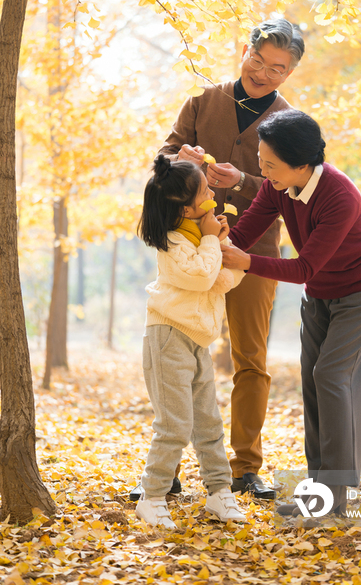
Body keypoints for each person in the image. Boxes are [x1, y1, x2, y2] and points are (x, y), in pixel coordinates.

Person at [155, 19, 305, 499]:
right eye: (258, 60)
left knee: (250, 360)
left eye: (277, 69)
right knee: (174, 357)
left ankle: (245, 468)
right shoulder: (202, 100)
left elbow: (297, 187)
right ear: (244, 51)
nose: (263, 73)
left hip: (253, 251)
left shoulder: (291, 124)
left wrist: (240, 181)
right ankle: (167, 468)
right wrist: (185, 162)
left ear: (290, 73)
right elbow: (162, 160)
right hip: (186, 242)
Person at [221, 109, 361, 516]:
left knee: (331, 376)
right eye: (260, 161)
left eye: (269, 165)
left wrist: (244, 263)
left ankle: (334, 497)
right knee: (313, 381)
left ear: (302, 164)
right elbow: (245, 232)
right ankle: (318, 493)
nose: (262, 171)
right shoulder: (278, 186)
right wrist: (215, 242)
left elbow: (302, 267)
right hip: (320, 294)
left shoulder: (339, 195)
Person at [135, 155, 246, 528]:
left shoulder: (202, 239)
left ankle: (219, 492)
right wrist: (213, 242)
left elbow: (219, 281)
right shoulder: (173, 243)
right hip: (168, 338)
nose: (213, 193)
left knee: (209, 424)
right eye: (205, 192)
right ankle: (151, 497)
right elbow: (199, 277)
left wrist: (230, 258)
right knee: (175, 426)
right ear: (186, 209)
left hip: (198, 341)